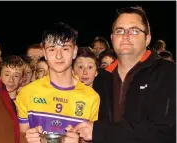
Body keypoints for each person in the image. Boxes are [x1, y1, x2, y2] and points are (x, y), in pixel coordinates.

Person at [74, 6, 176, 143]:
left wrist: (99, 131)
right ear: (112, 38)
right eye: (119, 30)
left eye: (134, 31)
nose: (125, 36)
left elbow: (164, 131)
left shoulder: (167, 73)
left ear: (148, 38)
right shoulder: (101, 79)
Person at [15, 22, 100, 143]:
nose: (58, 56)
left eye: (65, 48)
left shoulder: (91, 98)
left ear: (74, 51)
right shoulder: (27, 93)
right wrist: (28, 139)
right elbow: (21, 136)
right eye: (52, 49)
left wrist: (80, 141)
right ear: (44, 52)